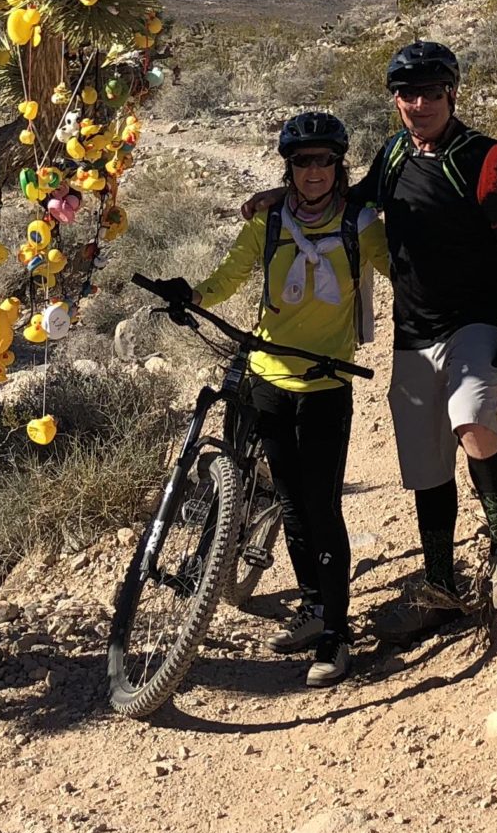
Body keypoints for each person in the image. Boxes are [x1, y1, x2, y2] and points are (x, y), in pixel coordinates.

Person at [148, 110, 385, 688]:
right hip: (267, 378)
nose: (313, 172)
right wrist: (192, 294)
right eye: (302, 162)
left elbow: (403, 268)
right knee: (288, 500)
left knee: (321, 507)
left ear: (339, 164)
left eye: (324, 160)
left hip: (326, 384)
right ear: (289, 166)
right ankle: (312, 607)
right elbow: (228, 276)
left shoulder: (360, 224)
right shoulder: (268, 221)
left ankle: (336, 633)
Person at [351, 39, 497, 621]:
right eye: (407, 93)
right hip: (413, 329)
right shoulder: (391, 157)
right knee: (425, 463)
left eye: (431, 91)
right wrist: (281, 198)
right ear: (395, 100)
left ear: (451, 93)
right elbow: (349, 199)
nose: (419, 102)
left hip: (475, 321)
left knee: (473, 418)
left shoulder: (488, 158)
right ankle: (440, 578)